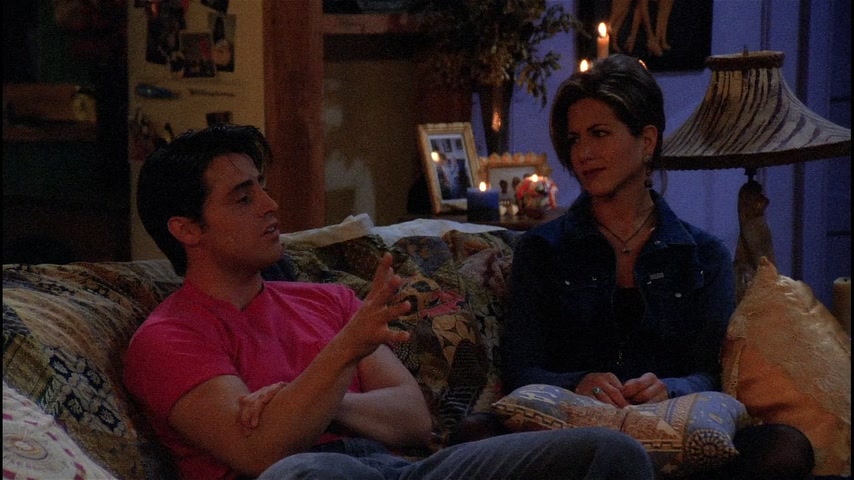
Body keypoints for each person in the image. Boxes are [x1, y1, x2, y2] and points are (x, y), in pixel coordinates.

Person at [123, 123, 656, 480]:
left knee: (610, 452)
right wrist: (344, 352)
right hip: (314, 472)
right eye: (244, 197)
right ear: (187, 229)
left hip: (401, 468)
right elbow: (261, 451)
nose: (271, 205)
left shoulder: (328, 301)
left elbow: (413, 419)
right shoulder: (170, 337)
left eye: (262, 187)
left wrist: (314, 402)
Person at [499, 54, 815, 479]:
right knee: (475, 433)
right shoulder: (542, 250)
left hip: (675, 429)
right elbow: (520, 369)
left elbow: (711, 373)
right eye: (574, 140)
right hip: (575, 438)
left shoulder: (701, 255)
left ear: (647, 141)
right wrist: (578, 381)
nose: (583, 153)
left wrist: (669, 388)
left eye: (599, 134)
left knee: (786, 447)